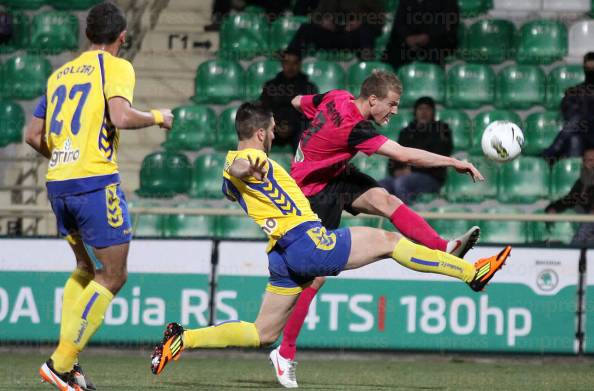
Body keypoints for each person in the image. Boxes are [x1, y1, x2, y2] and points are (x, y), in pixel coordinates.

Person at [149, 102, 512, 384]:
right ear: (259, 133)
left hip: (282, 253)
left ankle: (183, 339)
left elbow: (231, 185)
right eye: (272, 130)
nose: (275, 135)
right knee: (388, 241)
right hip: (307, 241)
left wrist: (246, 174)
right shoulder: (248, 159)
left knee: (262, 333)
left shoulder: (238, 172)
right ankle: (470, 272)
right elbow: (240, 167)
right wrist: (248, 168)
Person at [272, 70, 482, 387]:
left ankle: (444, 247)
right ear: (373, 99)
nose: (395, 111)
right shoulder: (356, 127)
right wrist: (453, 162)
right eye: (392, 104)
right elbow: (403, 154)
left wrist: (313, 139)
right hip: (312, 194)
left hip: (334, 175)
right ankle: (284, 353)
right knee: (314, 279)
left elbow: (297, 101)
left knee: (384, 200)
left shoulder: (337, 96)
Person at [24, 3, 173, 390]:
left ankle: (67, 365)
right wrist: (158, 116)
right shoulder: (116, 66)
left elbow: (31, 134)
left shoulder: (59, 75)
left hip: (58, 182)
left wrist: (64, 156)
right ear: (122, 37)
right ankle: (61, 362)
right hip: (94, 182)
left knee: (86, 270)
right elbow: (121, 116)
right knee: (114, 274)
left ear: (87, 35)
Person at [379, 96, 453, 204]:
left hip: (431, 178)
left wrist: (412, 171)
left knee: (402, 183)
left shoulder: (441, 130)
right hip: (403, 176)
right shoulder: (406, 132)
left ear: (433, 112)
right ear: (415, 112)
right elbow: (393, 155)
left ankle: (405, 219)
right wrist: (396, 171)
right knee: (379, 186)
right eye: (420, 109)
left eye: (427, 109)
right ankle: (381, 220)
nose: (424, 112)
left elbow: (439, 157)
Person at [260, 50, 318, 152]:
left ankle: (302, 167)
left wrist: (291, 126)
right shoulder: (270, 86)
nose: (291, 67)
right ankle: (257, 167)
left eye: (294, 63)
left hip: (298, 130)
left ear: (300, 64)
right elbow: (264, 110)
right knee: (260, 133)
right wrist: (277, 126)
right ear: (282, 64)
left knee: (305, 135)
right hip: (274, 127)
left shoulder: (309, 87)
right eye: (287, 62)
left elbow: (311, 113)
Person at [286, 0, 384, 60]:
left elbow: (379, 19)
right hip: (332, 33)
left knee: (365, 32)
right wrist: (322, 22)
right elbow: (316, 16)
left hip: (354, 36)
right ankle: (290, 59)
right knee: (306, 28)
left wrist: (360, 22)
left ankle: (364, 68)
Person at [542, 52, 594, 162]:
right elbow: (568, 114)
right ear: (584, 69)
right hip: (581, 133)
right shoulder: (574, 91)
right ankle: (571, 176)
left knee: (579, 118)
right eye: (588, 68)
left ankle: (553, 151)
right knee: (574, 139)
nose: (591, 72)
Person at [384, 0, 459, 70]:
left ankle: (432, 79)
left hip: (436, 39)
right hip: (410, 39)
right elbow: (399, 23)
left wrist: (427, 36)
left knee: (434, 50)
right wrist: (407, 37)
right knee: (394, 48)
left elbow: (448, 24)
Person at [546, 146, 594, 245]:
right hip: (585, 215)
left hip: (590, 217)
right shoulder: (582, 180)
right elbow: (570, 199)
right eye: (585, 160)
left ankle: (572, 249)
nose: (588, 163)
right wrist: (553, 208)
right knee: (589, 240)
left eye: (591, 160)